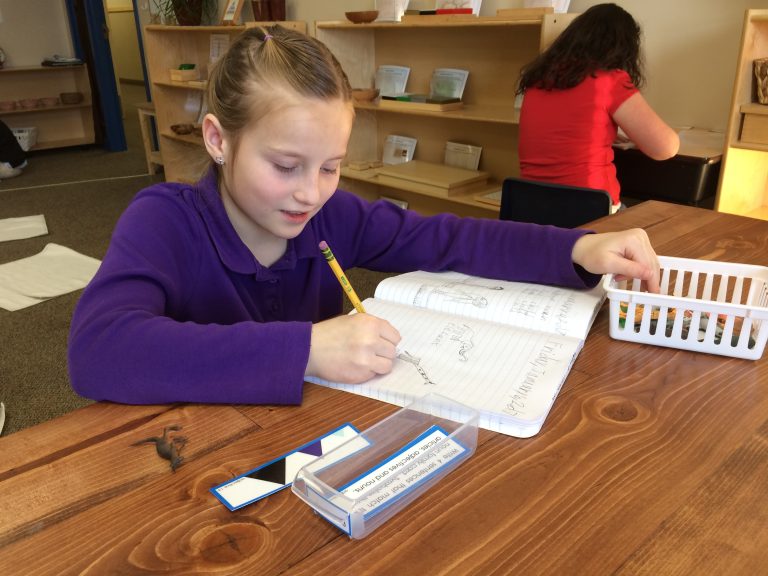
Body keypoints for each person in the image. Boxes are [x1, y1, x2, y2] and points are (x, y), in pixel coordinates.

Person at [68, 25, 660, 406]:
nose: (310, 193)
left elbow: (448, 238)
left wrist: (573, 249)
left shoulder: (332, 216)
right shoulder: (164, 220)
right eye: (285, 165)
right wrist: (303, 349)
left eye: (330, 166)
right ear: (219, 140)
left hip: (315, 442)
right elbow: (97, 350)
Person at [516, 3, 679, 209]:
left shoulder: (537, 80)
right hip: (587, 209)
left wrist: (603, 133)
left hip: (531, 207)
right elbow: (665, 148)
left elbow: (561, 132)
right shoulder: (609, 80)